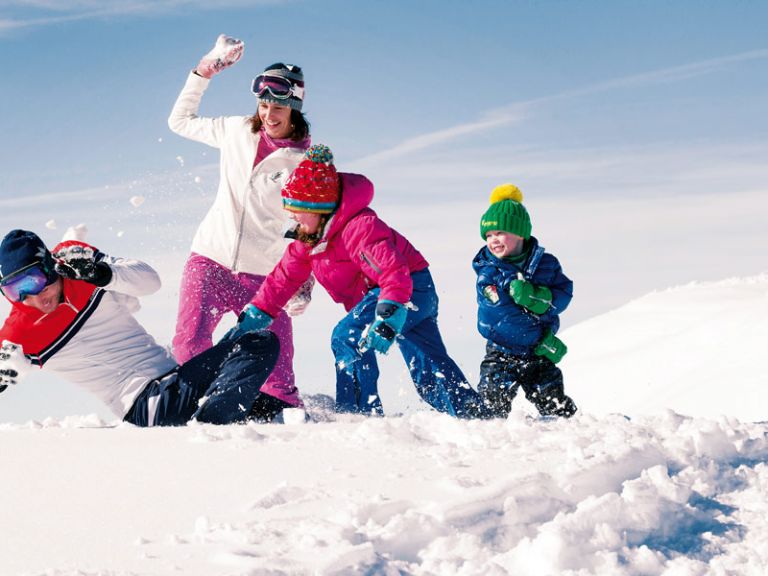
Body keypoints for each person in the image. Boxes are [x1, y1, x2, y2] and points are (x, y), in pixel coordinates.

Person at [227, 144, 487, 418]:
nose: (291, 216)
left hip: (402, 290)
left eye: (297, 209)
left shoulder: (359, 228)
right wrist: (259, 311)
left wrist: (389, 313)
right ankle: (472, 413)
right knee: (428, 368)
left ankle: (357, 415)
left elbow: (393, 271)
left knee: (348, 336)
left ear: (320, 208)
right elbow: (284, 278)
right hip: (403, 292)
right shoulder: (309, 240)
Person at [0, 229, 282, 426]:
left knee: (280, 412)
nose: (33, 298)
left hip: (176, 379)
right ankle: (208, 431)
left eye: (33, 281)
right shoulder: (19, 332)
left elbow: (150, 282)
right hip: (148, 404)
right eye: (15, 291)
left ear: (49, 266)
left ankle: (215, 420)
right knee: (258, 343)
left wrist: (102, 274)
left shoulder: (77, 263)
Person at [167, 34, 312, 414]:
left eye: (278, 105)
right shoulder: (236, 131)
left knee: (278, 377)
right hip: (210, 259)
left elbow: (312, 226)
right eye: (264, 104)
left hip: (265, 275)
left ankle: (280, 427)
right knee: (189, 347)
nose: (269, 113)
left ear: (295, 107)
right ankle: (193, 415)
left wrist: (303, 280)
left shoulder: (306, 161)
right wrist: (204, 71)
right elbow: (179, 121)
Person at [473, 184, 577, 418]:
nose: (493, 240)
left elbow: (564, 292)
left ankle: (574, 434)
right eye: (488, 235)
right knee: (492, 403)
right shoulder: (488, 273)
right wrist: (539, 337)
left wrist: (540, 298)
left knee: (553, 401)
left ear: (520, 233)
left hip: (538, 352)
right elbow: (496, 316)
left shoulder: (547, 264)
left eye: (500, 232)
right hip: (502, 351)